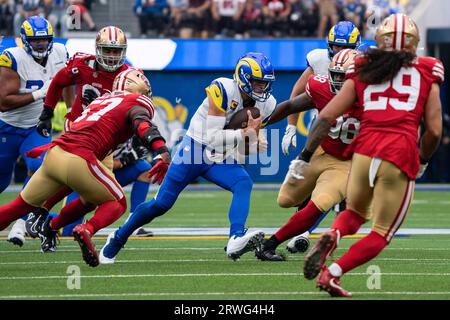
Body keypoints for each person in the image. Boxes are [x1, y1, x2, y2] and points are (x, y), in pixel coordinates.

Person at [292, 13, 444, 297]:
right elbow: (434, 131)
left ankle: (333, 234)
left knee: (353, 213)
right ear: (414, 44)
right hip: (398, 153)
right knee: (382, 231)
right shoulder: (426, 69)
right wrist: (422, 160)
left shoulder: (361, 67)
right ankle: (332, 274)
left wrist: (305, 155)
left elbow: (326, 116)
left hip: (362, 151)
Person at [99, 52, 276, 263]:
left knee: (243, 182)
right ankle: (117, 238)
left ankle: (236, 237)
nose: (262, 89)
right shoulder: (223, 89)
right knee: (161, 204)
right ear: (244, 78)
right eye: (257, 83)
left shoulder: (267, 104)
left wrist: (252, 142)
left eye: (265, 84)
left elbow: (244, 149)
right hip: (194, 148)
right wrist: (245, 135)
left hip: (218, 155)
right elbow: (214, 136)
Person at [0, 69, 171, 267]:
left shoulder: (101, 101)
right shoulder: (137, 102)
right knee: (117, 202)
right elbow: (142, 124)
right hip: (79, 157)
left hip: (55, 154)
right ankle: (87, 229)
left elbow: (67, 179)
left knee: (17, 208)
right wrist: (162, 151)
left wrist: (46, 205)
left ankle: (49, 225)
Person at [24, 26, 131, 247]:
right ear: (98, 49)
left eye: (115, 51)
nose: (111, 56)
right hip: (77, 131)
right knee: (74, 178)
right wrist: (47, 113)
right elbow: (57, 82)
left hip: (105, 141)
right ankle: (41, 211)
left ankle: (49, 225)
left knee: (92, 197)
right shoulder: (83, 65)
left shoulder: (129, 75)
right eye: (107, 50)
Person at [255, 49, 361, 261]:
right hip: (320, 151)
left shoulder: (372, 98)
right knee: (285, 200)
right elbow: (291, 105)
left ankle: (269, 244)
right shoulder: (321, 86)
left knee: (319, 204)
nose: (337, 81)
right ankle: (313, 191)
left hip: (346, 163)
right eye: (335, 75)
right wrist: (261, 124)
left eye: (343, 76)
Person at [279, 21, 361, 253]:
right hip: (324, 126)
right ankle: (302, 228)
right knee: (305, 184)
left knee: (332, 187)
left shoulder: (365, 64)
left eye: (343, 47)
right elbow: (297, 93)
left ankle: (304, 232)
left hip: (355, 130)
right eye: (334, 47)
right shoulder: (319, 60)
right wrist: (290, 127)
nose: (338, 52)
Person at [0, 16, 72, 246]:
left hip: (36, 126)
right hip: (7, 127)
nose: (41, 45)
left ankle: (21, 222)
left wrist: (71, 111)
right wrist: (39, 94)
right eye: (35, 41)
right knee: (2, 180)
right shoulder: (13, 58)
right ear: (25, 40)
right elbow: (3, 101)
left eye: (44, 41)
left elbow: (70, 82)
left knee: (43, 169)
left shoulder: (61, 52)